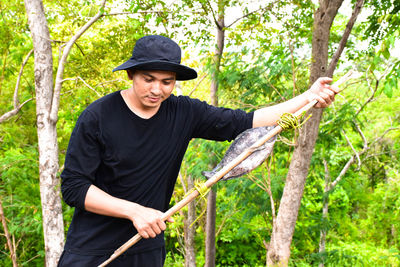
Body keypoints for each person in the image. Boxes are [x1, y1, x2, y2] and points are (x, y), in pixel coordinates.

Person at [58, 35, 338, 266]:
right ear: (131, 74)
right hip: (91, 251)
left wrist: (309, 97)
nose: (157, 89)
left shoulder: (183, 112)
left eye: (166, 82)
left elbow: (246, 121)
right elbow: (74, 187)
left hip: (146, 250)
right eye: (148, 79)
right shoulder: (98, 117)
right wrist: (134, 211)